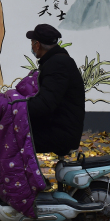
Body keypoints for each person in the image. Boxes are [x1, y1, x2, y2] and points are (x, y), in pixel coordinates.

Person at [25, 24, 85, 157]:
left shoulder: (58, 64)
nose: (32, 46)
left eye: (32, 43)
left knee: (14, 137)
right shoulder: (56, 60)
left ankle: (25, 176)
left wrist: (17, 107)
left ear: (37, 45)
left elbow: (46, 103)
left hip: (62, 132)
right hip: (56, 124)